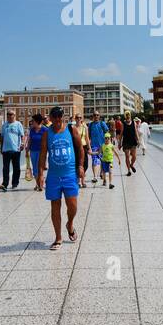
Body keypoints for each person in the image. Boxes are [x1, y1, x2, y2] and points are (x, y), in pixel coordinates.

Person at [38, 106, 84, 250]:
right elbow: (43, 154)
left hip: (70, 174)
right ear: (50, 118)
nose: (58, 119)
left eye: (60, 116)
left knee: (73, 205)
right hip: (53, 176)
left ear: (63, 117)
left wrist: (81, 166)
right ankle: (58, 237)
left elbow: (80, 149)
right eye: (55, 117)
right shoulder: (47, 134)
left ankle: (69, 223)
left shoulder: (71, 130)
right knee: (55, 206)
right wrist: (40, 174)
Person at [0, 110, 25, 190]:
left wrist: (22, 143)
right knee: (5, 168)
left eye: (11, 114)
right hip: (6, 150)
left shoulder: (18, 124)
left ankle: (15, 183)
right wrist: (1, 147)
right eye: (8, 114)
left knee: (16, 168)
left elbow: (22, 136)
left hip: (16, 150)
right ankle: (5, 184)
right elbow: (2, 137)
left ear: (14, 115)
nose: (9, 116)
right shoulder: (4, 125)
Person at [86, 111, 109, 185]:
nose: (96, 116)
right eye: (94, 115)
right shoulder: (90, 125)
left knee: (103, 162)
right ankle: (95, 177)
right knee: (95, 161)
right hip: (94, 146)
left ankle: (103, 175)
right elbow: (88, 136)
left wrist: (108, 144)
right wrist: (88, 146)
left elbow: (107, 133)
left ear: (99, 116)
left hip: (102, 146)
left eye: (97, 115)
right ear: (93, 116)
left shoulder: (102, 123)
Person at [27, 114, 45, 191]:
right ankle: (37, 184)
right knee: (35, 168)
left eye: (33, 121)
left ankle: (40, 185)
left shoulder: (45, 130)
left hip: (42, 152)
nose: (32, 122)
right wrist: (27, 149)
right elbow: (30, 140)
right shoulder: (32, 130)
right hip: (33, 151)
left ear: (37, 121)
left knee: (40, 168)